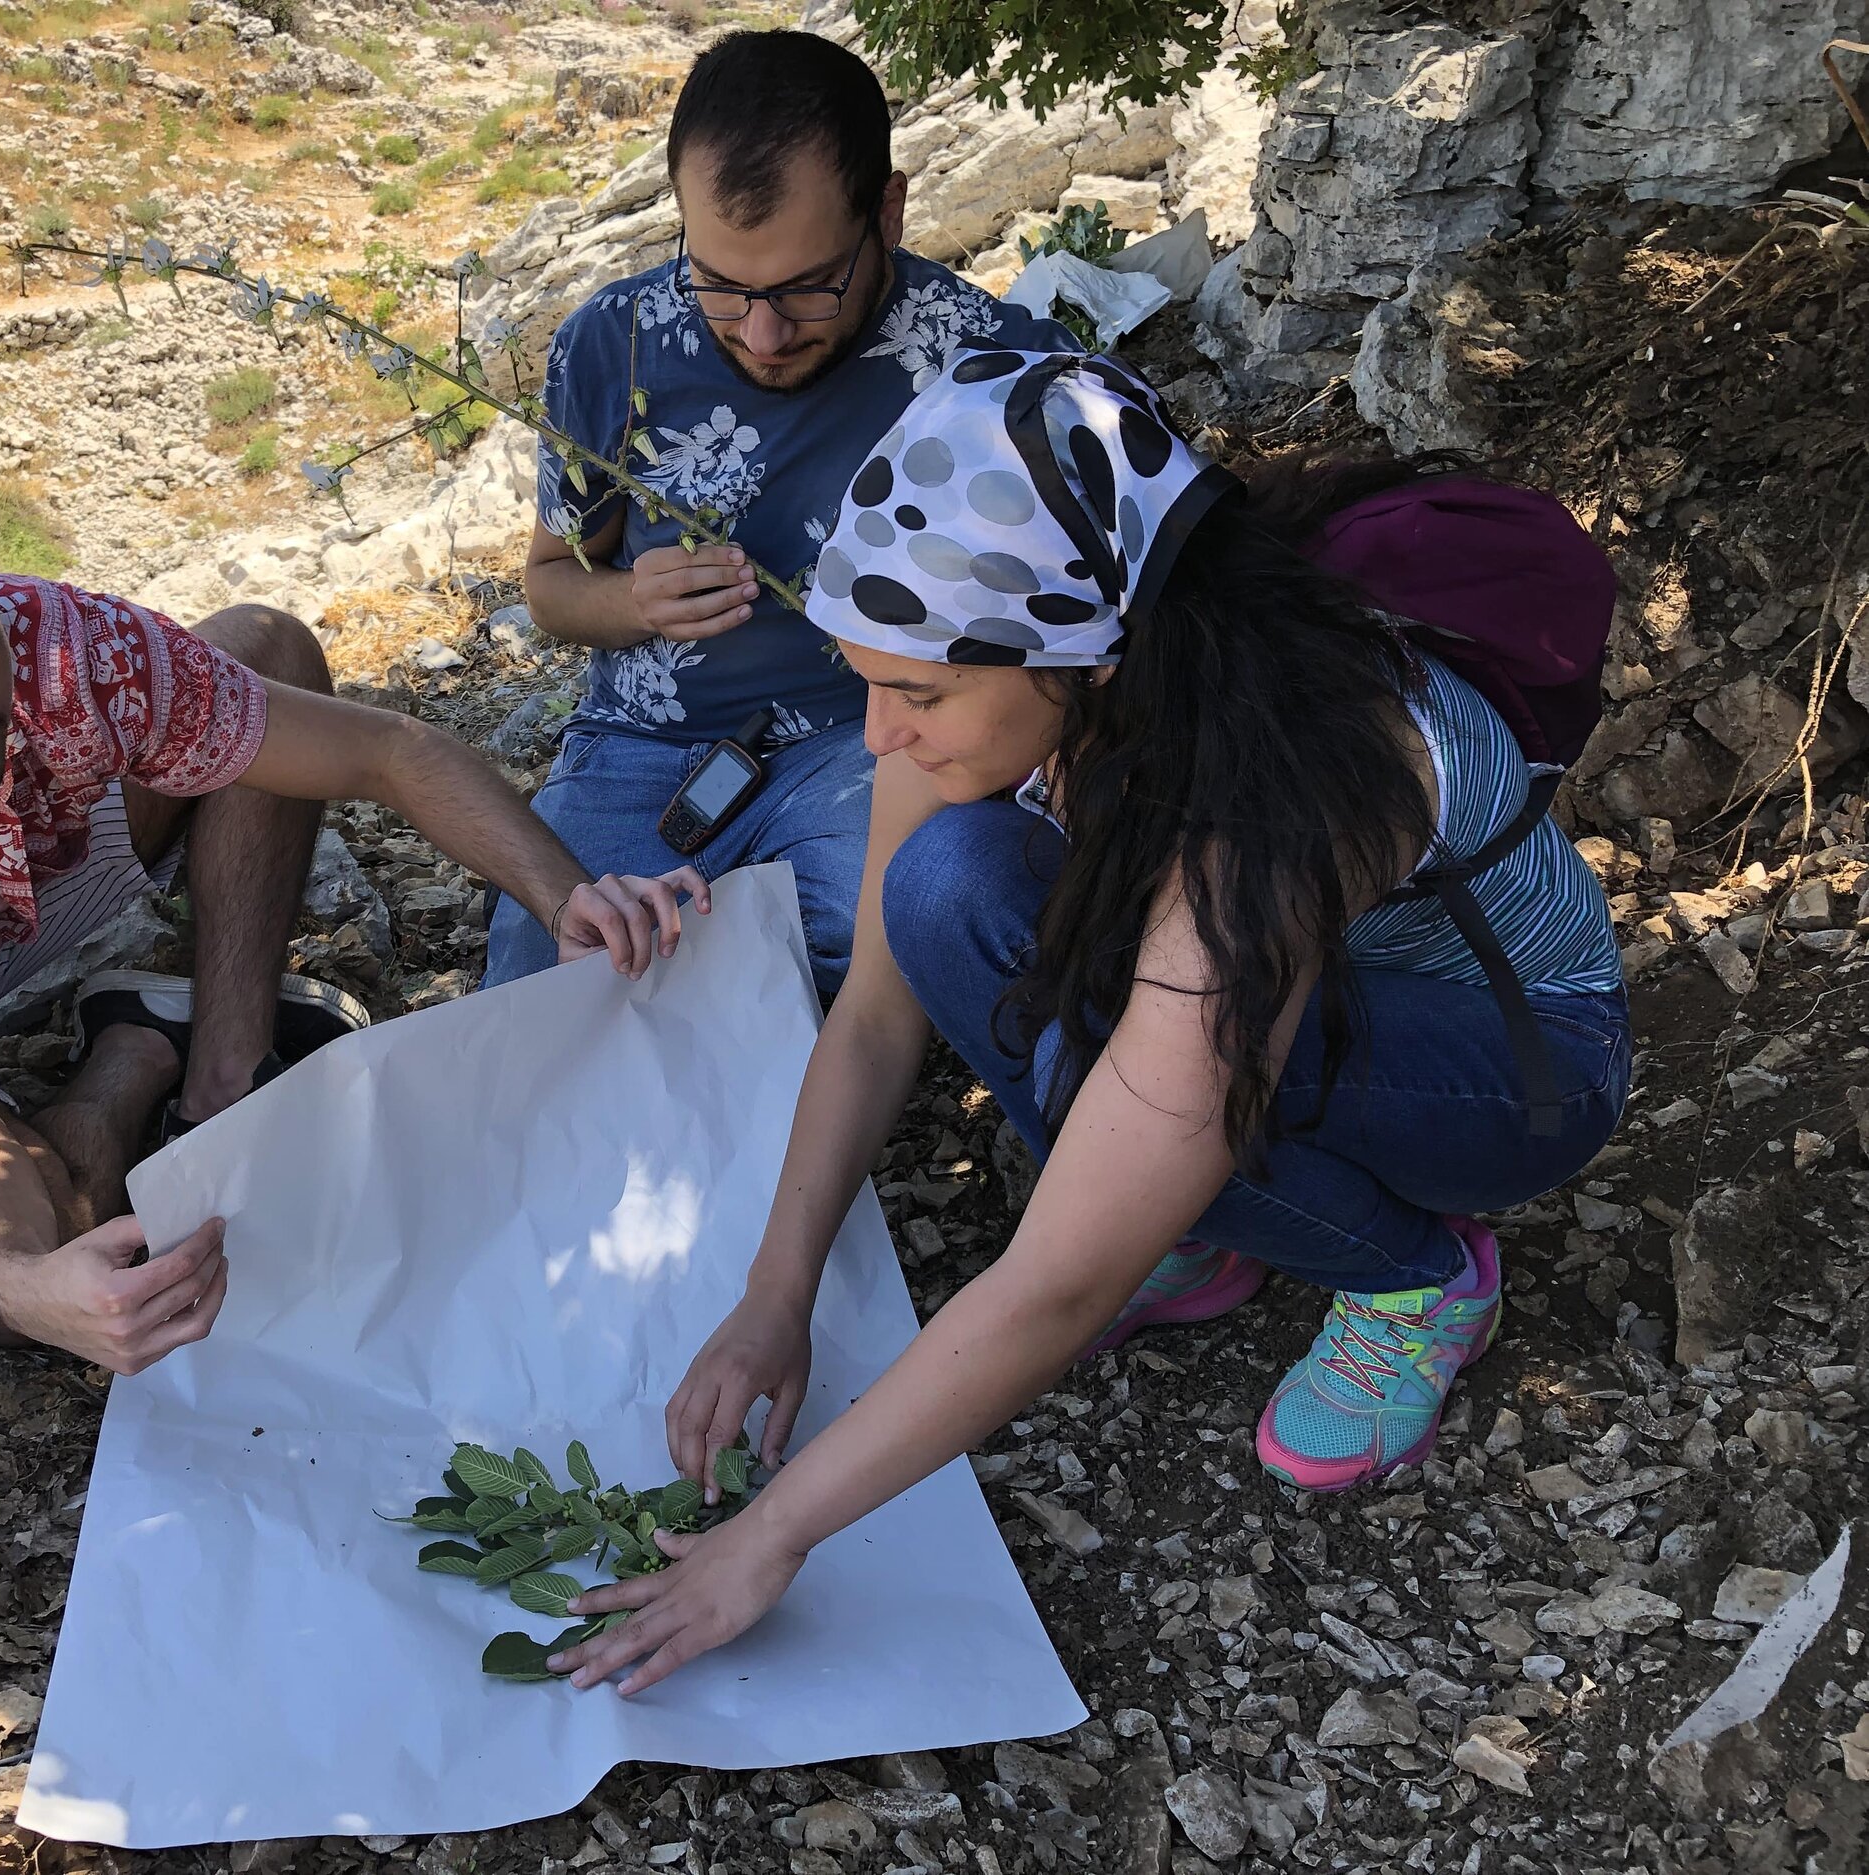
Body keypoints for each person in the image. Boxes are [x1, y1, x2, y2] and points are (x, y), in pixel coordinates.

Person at [544, 344, 1632, 1694]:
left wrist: (766, 1537)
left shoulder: (1283, 793)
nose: (875, 735)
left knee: (1113, 1074)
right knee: (946, 884)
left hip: (1514, 1067)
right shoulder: (1048, 655)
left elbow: (1060, 1276)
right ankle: (1210, 1214)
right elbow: (877, 1016)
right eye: (866, 677)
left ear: (1083, 657)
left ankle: (1416, 1273)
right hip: (1303, 990)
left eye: (922, 693)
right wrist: (778, 1298)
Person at [0, 407, 706, 1376]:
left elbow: (391, 752)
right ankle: (127, 1059)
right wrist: (20, 1274)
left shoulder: (59, 646)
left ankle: (223, 1086)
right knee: (13, 1291)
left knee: (263, 653)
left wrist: (564, 896)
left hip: (4, 905)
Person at [484, 28, 1065, 995]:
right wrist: (632, 604)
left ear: (888, 212)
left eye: (805, 287)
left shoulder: (992, 372)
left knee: (884, 937)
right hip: (643, 748)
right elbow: (550, 587)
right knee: (545, 970)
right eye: (718, 283)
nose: (761, 334)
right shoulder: (609, 348)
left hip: (871, 743)